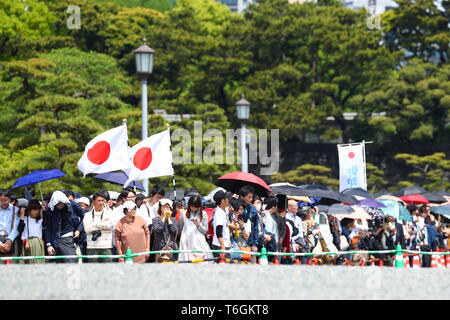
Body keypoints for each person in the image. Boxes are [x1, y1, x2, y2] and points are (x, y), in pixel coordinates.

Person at [43, 191, 82, 263]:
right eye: (57, 204)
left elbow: (84, 217)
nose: (59, 206)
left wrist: (79, 230)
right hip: (54, 241)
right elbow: (47, 228)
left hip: (68, 239)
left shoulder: (72, 205)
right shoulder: (50, 210)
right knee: (56, 266)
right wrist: (48, 244)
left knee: (71, 263)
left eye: (61, 204)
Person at [178, 195, 213, 262]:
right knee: (186, 262)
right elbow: (180, 227)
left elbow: (205, 231)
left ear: (199, 206)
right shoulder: (183, 214)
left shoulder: (203, 214)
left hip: (199, 242)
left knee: (201, 261)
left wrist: (198, 225)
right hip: (186, 242)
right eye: (191, 206)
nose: (193, 208)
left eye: (195, 207)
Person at [83, 192, 114, 263]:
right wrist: (103, 225)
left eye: (102, 200)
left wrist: (94, 224)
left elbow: (110, 226)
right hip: (92, 247)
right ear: (93, 202)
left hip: (106, 247)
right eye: (99, 201)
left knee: (107, 269)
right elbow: (87, 229)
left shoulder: (109, 213)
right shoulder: (87, 215)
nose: (101, 203)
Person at [18, 199, 45, 264]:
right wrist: (22, 215)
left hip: (38, 244)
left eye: (38, 209)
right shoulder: (24, 219)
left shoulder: (41, 220)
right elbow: (20, 229)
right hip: (27, 244)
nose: (36, 212)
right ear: (30, 210)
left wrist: (43, 210)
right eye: (34, 209)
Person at [0, 190, 22, 263]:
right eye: (1, 200)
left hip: (12, 241)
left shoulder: (16, 210)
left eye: (5, 200)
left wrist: (10, 240)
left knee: (13, 266)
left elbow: (17, 227)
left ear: (9, 199)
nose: (3, 202)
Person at [212, 190, 231, 262]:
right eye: (227, 198)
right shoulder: (219, 214)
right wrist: (222, 247)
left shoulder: (223, 210)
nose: (228, 200)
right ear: (222, 201)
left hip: (224, 244)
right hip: (220, 246)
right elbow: (218, 231)